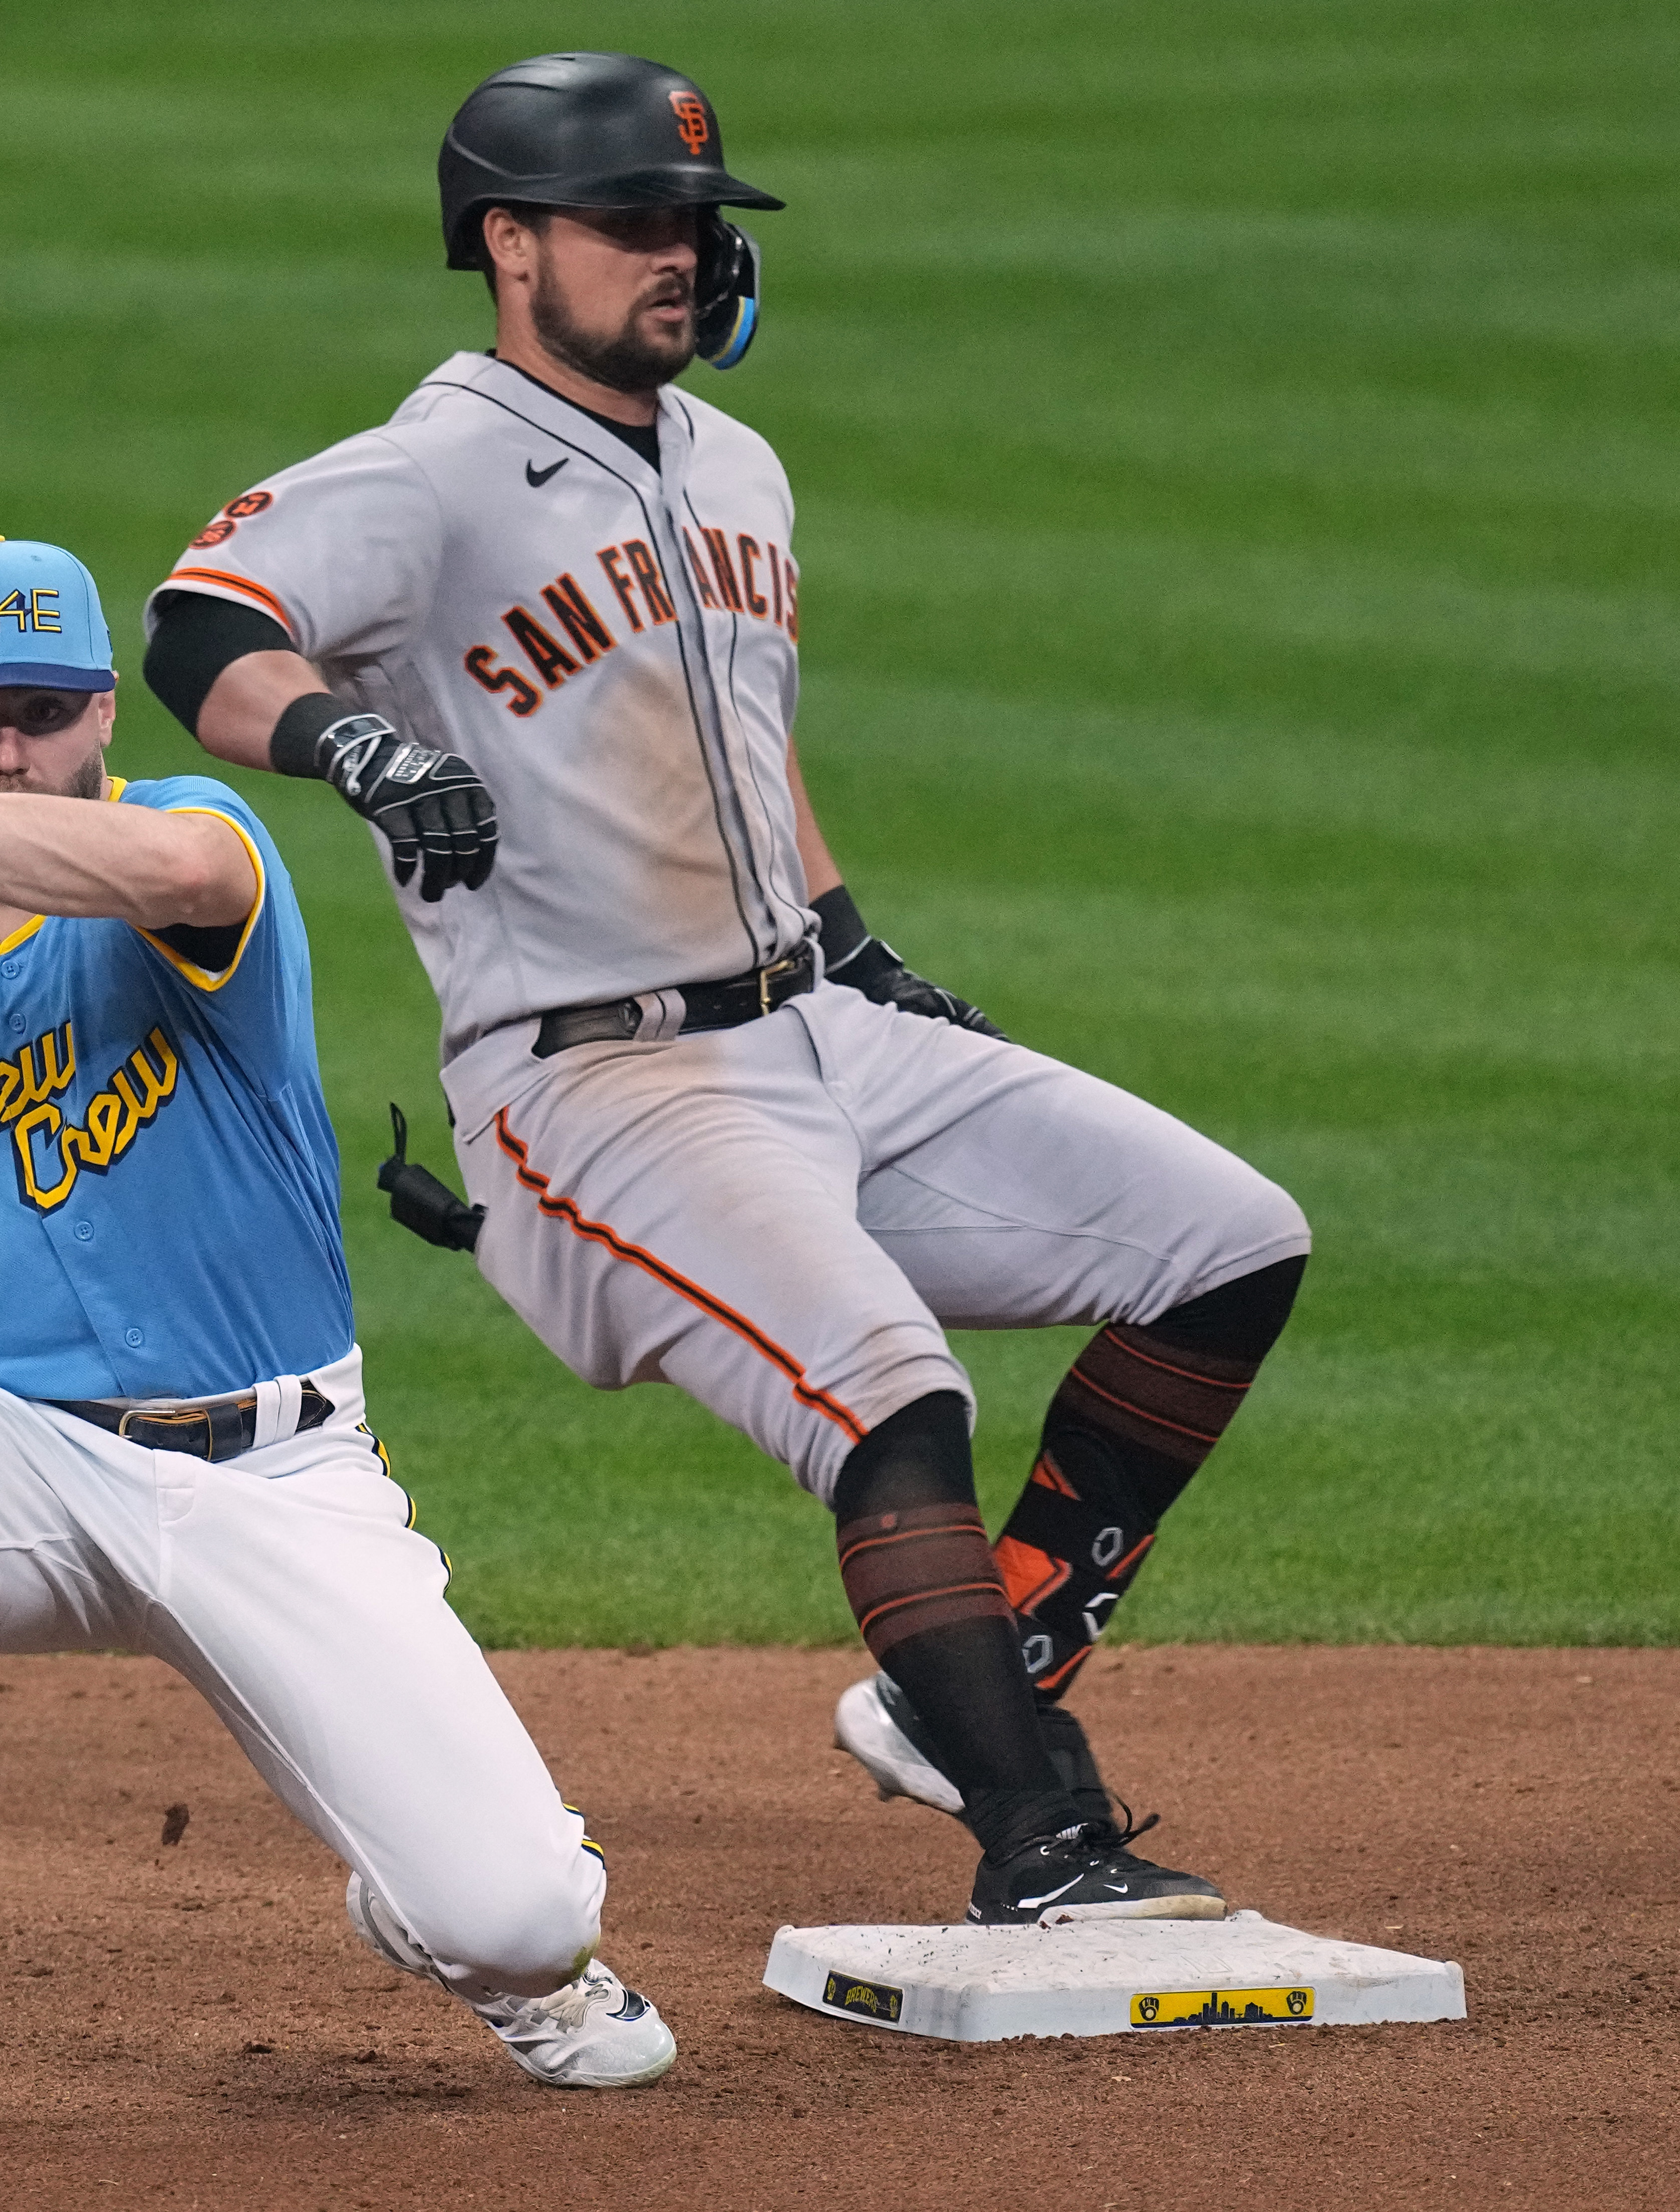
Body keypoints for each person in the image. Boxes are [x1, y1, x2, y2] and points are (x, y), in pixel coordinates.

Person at [139, 53, 1312, 1929]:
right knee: (887, 1393)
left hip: (817, 1026)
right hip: (600, 1085)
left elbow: (740, 746)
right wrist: (356, 746)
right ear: (509, 247)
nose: (679, 253)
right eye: (630, 223)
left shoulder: (740, 463)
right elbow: (199, 628)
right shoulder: (426, 470)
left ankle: (977, 1691)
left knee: (1228, 1242)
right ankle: (1043, 1842)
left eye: (694, 220)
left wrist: (864, 958)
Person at [0, 534, 675, 2168]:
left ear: (102, 710)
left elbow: (173, 879)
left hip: (282, 1473)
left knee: (521, 1922)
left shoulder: (198, 843)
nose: (6, 750)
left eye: (38, 710)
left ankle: (448, 1904)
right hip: (21, 1455)